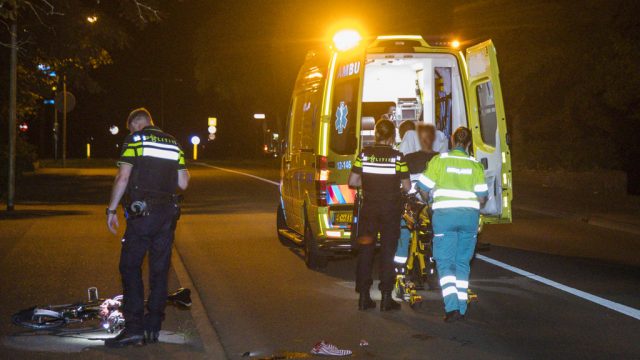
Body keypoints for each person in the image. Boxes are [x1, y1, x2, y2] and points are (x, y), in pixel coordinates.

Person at [105, 108, 190, 347]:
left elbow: (123, 177)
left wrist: (111, 210)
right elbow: (183, 182)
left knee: (130, 266)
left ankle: (133, 328)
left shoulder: (135, 139)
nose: (131, 132)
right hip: (167, 216)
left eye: (131, 129)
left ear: (135, 125)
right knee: (159, 270)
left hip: (142, 215)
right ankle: (153, 325)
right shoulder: (174, 143)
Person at [416, 126, 488, 322]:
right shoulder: (475, 166)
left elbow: (422, 188)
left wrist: (430, 202)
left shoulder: (439, 161)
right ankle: (462, 308)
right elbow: (482, 199)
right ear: (469, 144)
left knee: (445, 263)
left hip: (445, 219)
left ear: (452, 140)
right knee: (462, 263)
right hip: (468, 219)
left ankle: (452, 308)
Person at [349, 119, 411, 311]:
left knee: (366, 251)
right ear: (392, 137)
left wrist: (369, 184)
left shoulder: (364, 155)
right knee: (387, 251)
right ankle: (386, 297)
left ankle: (364, 297)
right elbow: (407, 186)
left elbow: (353, 181)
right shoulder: (398, 157)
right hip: (390, 210)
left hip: (369, 209)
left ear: (376, 135)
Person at [394, 124, 439, 267]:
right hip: (434, 204)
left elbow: (402, 184)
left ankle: (400, 263)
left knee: (404, 222)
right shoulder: (441, 158)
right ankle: (435, 257)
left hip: (416, 203)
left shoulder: (408, 158)